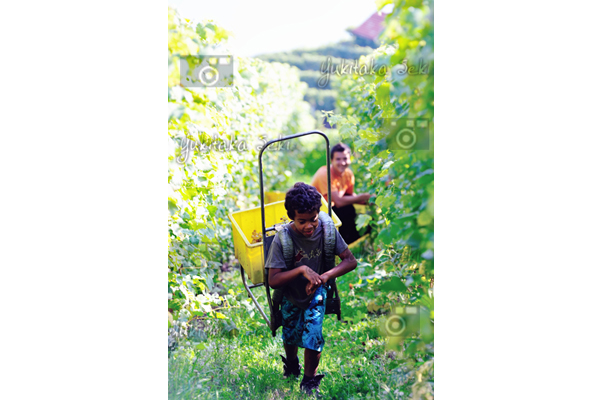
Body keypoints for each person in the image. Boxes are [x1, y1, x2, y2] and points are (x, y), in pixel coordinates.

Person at [265, 182, 357, 394]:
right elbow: (274, 280)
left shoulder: (326, 231)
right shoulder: (283, 239)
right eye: (302, 221)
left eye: (313, 219)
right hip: (291, 293)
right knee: (290, 333)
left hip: (317, 291)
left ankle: (309, 381)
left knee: (313, 334)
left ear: (318, 214)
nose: (309, 226)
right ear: (292, 217)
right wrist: (302, 270)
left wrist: (324, 277)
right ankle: (291, 365)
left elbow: (350, 261)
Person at [311, 143, 372, 244]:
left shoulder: (348, 174)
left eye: (345, 158)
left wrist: (368, 200)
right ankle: (341, 243)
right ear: (331, 160)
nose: (342, 162)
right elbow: (339, 202)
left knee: (350, 210)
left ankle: (348, 242)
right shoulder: (325, 174)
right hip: (318, 212)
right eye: (338, 159)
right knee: (345, 210)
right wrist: (364, 196)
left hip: (333, 208)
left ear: (350, 159)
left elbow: (349, 196)